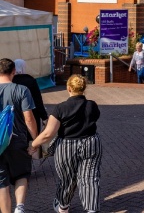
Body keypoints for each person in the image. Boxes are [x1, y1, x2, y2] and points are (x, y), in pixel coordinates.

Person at [29, 74, 101, 213]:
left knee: (67, 177)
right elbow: (94, 118)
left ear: (68, 88)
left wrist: (33, 145)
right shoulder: (92, 105)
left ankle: (63, 206)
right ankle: (92, 209)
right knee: (90, 177)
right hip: (91, 143)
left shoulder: (61, 108)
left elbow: (48, 133)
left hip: (68, 145)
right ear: (84, 88)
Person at [0, 59, 38, 213]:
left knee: (1, 183)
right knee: (22, 173)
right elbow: (29, 118)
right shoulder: (22, 90)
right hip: (18, 140)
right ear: (14, 71)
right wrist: (35, 140)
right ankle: (20, 207)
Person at [11, 60, 46, 133]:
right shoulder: (30, 80)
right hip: (32, 114)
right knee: (32, 138)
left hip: (14, 117)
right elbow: (38, 100)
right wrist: (44, 117)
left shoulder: (10, 81)